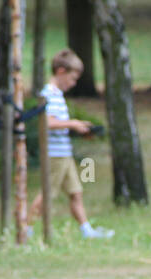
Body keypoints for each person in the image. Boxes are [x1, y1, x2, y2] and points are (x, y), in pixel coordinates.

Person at [28, 49, 114, 240]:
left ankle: (86, 231)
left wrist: (80, 128)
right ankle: (26, 228)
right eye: (72, 78)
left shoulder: (57, 95)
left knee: (76, 192)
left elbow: (59, 124)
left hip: (64, 153)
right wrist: (73, 124)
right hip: (54, 154)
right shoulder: (48, 94)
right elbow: (47, 123)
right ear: (60, 71)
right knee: (48, 194)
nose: (73, 83)